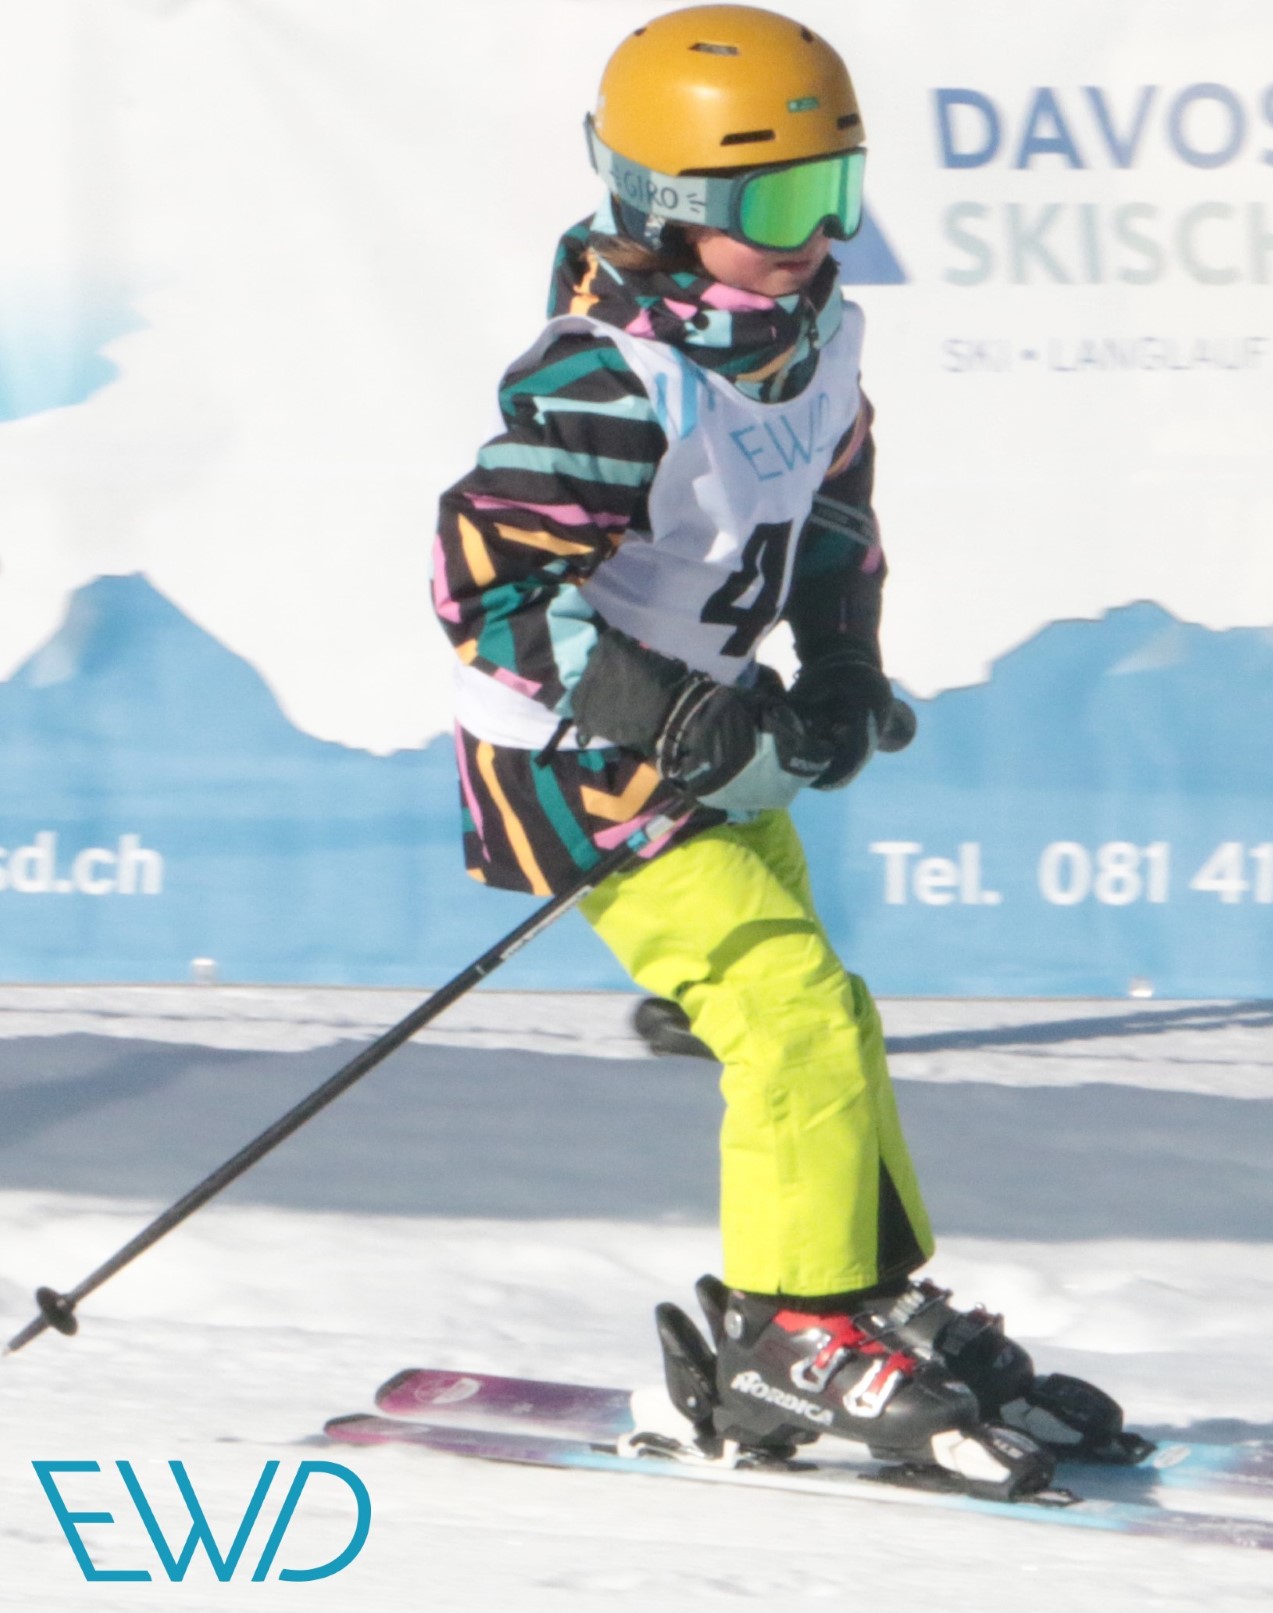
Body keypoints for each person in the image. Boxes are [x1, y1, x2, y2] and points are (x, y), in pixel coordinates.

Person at [430, 5, 1133, 1499]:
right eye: (774, 207)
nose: (813, 237)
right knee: (789, 1015)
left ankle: (859, 1298)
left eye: (835, 193)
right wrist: (678, 718)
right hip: (578, 760)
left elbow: (831, 509)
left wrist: (844, 662)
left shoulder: (810, 339)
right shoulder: (605, 380)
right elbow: (486, 591)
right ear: (667, 209)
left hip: (712, 729)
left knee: (829, 1016)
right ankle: (786, 1332)